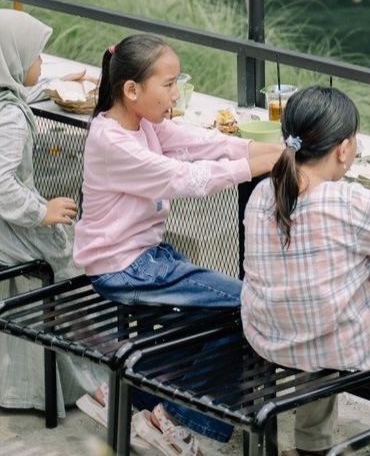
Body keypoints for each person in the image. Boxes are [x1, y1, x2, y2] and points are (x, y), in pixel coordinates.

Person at [73, 33, 283, 456]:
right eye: (168, 85)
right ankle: (177, 420)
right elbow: (184, 178)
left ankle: (129, 399)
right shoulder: (112, 141)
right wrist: (270, 162)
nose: (176, 93)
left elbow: (202, 143)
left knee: (216, 316)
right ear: (132, 90)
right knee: (253, 307)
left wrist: (266, 148)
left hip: (143, 259)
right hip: (124, 267)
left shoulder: (142, 123)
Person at [241, 85, 370, 455]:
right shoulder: (345, 201)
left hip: (272, 331)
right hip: (329, 333)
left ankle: (311, 447)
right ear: (343, 150)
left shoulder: (265, 192)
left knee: (317, 313)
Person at [0, 8, 101, 415]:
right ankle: (90, 379)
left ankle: (29, 386)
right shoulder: (9, 117)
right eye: (36, 56)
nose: (40, 63)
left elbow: (17, 91)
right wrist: (41, 210)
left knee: (54, 249)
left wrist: (49, 86)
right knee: (75, 252)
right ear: (12, 59)